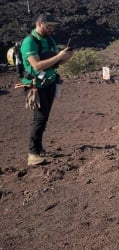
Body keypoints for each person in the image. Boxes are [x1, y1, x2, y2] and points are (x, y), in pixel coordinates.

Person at [20, 13, 73, 166]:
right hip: (36, 86)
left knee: (44, 118)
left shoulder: (49, 40)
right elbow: (36, 66)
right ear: (39, 24)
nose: (51, 29)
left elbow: (56, 64)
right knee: (40, 119)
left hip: (49, 82)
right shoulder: (29, 42)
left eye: (53, 26)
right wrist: (58, 57)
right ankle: (33, 154)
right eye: (48, 26)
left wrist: (66, 57)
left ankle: (39, 148)